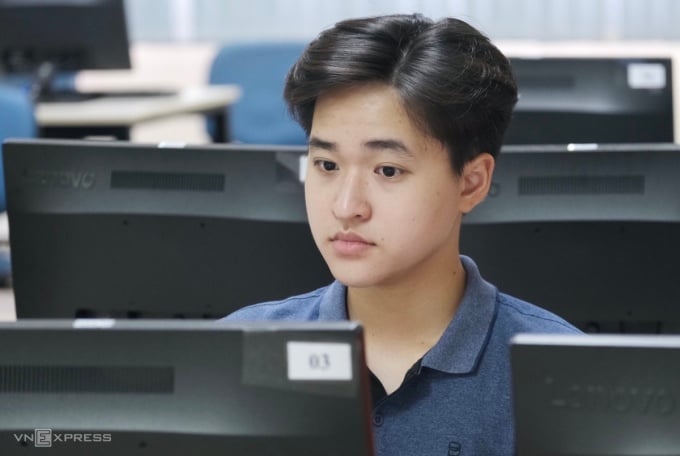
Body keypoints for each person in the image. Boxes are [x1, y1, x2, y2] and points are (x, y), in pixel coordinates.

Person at [223, 13, 581, 455]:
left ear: (471, 183)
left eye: (388, 170)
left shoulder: (562, 372)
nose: (346, 206)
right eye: (327, 166)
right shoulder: (236, 350)